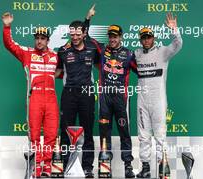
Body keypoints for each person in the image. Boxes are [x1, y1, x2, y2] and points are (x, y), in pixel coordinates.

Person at [2, 12, 59, 178]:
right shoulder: (27, 53)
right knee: (34, 135)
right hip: (35, 98)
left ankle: (47, 167)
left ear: (48, 40)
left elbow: (67, 69)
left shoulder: (55, 56)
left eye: (43, 38)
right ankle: (36, 166)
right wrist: (7, 27)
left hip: (51, 98)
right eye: (37, 38)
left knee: (51, 135)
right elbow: (10, 45)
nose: (39, 41)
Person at [55, 5, 101, 178]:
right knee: (66, 130)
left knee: (88, 130)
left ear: (83, 34)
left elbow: (100, 67)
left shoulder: (92, 48)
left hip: (88, 93)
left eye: (77, 34)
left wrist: (88, 18)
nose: (74, 37)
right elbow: (58, 72)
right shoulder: (63, 51)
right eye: (71, 34)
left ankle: (87, 167)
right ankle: (65, 164)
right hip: (69, 92)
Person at [135, 13, 183, 178]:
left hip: (158, 100)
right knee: (143, 136)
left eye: (149, 37)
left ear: (153, 38)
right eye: (144, 38)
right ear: (141, 40)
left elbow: (178, 44)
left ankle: (163, 167)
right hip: (142, 100)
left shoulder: (163, 52)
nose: (146, 40)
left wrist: (174, 30)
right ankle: (146, 168)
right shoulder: (137, 54)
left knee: (160, 135)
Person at [97, 24, 137, 178]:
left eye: (115, 36)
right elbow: (85, 39)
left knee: (124, 132)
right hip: (105, 98)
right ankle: (105, 163)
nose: (112, 39)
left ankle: (128, 165)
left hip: (121, 98)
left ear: (120, 37)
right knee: (104, 131)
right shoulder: (102, 51)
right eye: (110, 36)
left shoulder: (128, 54)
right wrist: (87, 19)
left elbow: (141, 71)